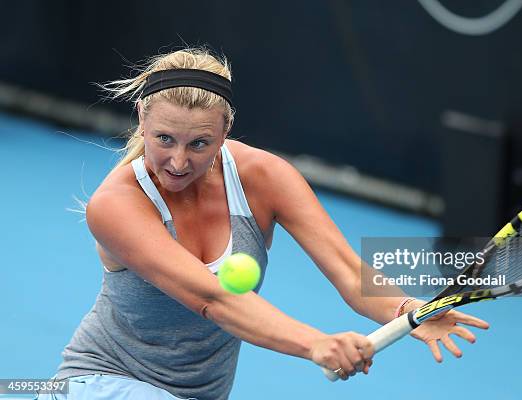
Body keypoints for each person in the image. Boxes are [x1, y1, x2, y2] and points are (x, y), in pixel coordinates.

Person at [39, 47, 489, 400]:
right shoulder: (115, 204)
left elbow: (349, 271)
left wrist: (406, 309)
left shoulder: (266, 178)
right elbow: (212, 299)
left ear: (226, 129)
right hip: (104, 383)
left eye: (199, 143)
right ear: (141, 118)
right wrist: (315, 343)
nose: (178, 161)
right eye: (164, 139)